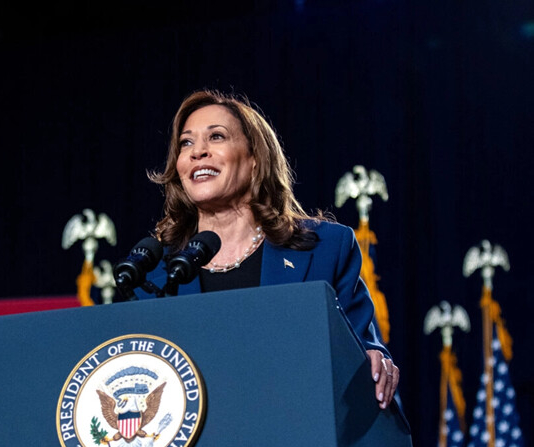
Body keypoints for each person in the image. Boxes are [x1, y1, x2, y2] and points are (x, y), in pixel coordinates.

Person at [133, 88, 400, 410]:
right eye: (186, 142)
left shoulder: (325, 248)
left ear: (255, 159)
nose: (197, 152)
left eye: (216, 137)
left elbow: (359, 345)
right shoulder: (153, 272)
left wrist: (374, 358)